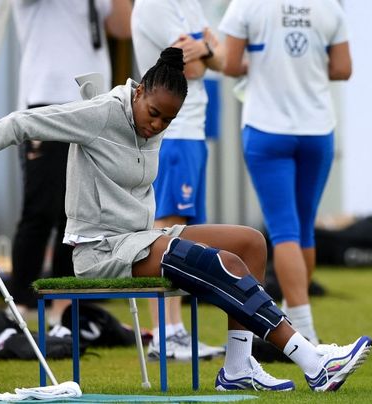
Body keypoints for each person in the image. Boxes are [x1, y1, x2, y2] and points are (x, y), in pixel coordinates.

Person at [0, 48, 371, 392]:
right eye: (154, 113)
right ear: (140, 90)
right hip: (98, 251)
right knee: (218, 264)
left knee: (250, 244)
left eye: (168, 119)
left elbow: (150, 155)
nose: (157, 125)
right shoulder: (102, 113)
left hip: (140, 238)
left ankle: (238, 368)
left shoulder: (155, 118)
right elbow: (23, 121)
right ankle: (311, 360)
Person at [219, 0, 353, 346]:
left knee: (284, 232)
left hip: (267, 128)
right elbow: (342, 68)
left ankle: (303, 328)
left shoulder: (246, 5)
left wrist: (268, 65)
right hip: (317, 129)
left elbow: (230, 64)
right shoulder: (329, 7)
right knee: (303, 229)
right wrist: (303, 66)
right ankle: (296, 318)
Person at [9, 0, 131, 328]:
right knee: (39, 209)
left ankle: (63, 307)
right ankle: (19, 303)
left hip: (92, 106)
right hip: (44, 102)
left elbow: (123, 26)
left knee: (77, 214)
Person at [131, 0, 225, 362]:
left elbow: (221, 59)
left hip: (193, 130)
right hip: (176, 131)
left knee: (179, 230)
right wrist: (207, 48)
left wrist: (204, 48)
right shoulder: (155, 6)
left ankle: (175, 331)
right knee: (165, 228)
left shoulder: (187, 4)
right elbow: (195, 70)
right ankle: (164, 334)